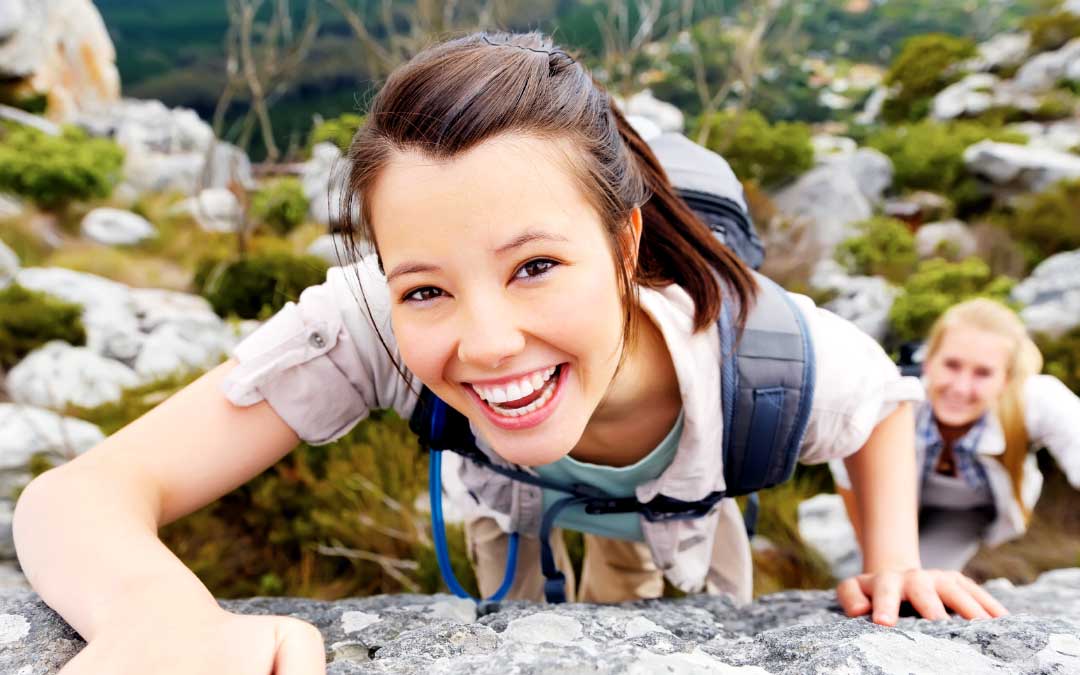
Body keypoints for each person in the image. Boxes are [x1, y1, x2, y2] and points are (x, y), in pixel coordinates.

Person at [13, 32, 1006, 674]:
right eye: (427, 289)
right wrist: (161, 620)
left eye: (534, 266)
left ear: (625, 247)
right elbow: (77, 495)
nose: (485, 341)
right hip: (508, 513)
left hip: (687, 520)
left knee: (661, 592)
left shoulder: (760, 353)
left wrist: (895, 563)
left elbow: (881, 402)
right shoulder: (366, 318)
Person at [835, 298, 1080, 571]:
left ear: (1006, 380)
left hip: (965, 514)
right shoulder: (894, 398)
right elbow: (848, 475)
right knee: (879, 576)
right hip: (891, 503)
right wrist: (874, 560)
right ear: (928, 362)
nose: (961, 388)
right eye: (951, 365)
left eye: (983, 373)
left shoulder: (1036, 399)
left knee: (923, 580)